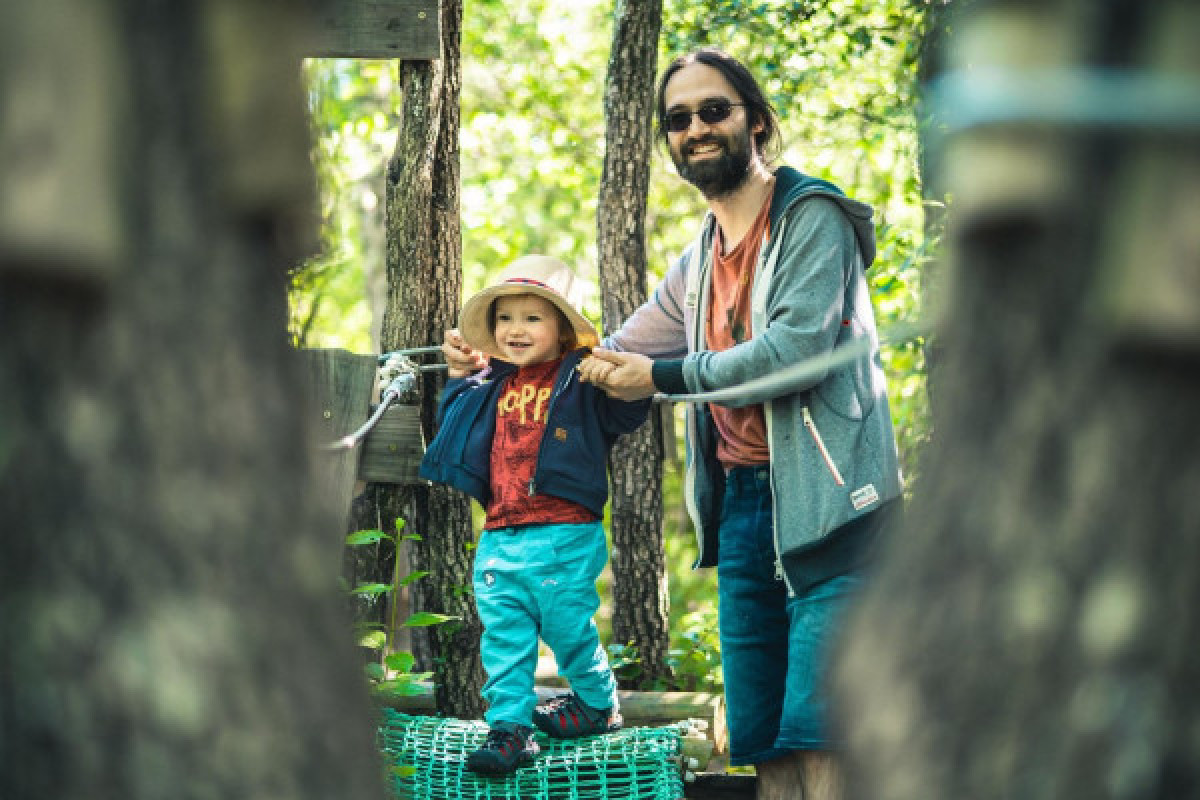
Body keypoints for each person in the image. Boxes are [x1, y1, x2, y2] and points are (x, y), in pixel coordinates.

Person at [575, 49, 905, 800]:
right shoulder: (697, 260)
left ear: (755, 120)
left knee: (824, 738)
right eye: (678, 119)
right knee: (764, 746)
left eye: (714, 110)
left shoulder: (812, 219)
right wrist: (507, 353)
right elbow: (617, 350)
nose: (696, 128)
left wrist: (665, 379)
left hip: (833, 511)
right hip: (746, 513)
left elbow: (793, 355)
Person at [418, 255, 650, 776]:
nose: (515, 329)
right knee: (503, 634)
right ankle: (510, 729)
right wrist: (459, 372)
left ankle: (597, 703)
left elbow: (629, 409)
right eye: (504, 318)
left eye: (532, 317)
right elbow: (458, 416)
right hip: (500, 531)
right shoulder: (493, 382)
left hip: (566, 530)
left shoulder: (579, 378)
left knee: (567, 626)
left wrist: (613, 374)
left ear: (563, 331)